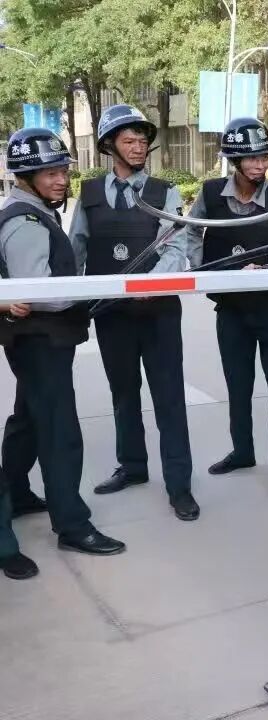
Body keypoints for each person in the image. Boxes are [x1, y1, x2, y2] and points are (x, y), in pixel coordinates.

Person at [68, 104, 199, 521]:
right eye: (129, 140)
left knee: (169, 397)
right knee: (123, 393)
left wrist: (150, 285)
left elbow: (177, 247)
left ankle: (179, 485)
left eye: (143, 141)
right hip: (111, 314)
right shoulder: (89, 195)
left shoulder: (165, 193)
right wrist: (68, 300)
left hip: (158, 312)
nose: (139, 147)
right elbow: (75, 251)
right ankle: (132, 466)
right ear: (109, 145)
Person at [0, 128, 126, 556]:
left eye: (63, 171)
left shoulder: (34, 211)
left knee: (28, 420)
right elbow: (39, 292)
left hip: (36, 339)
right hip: (40, 341)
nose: (61, 180)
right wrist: (89, 290)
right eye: (49, 173)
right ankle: (72, 525)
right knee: (60, 432)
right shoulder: (25, 221)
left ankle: (16, 493)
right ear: (25, 176)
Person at [185, 117, 268, 507]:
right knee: (238, 386)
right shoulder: (210, 194)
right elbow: (191, 229)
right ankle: (242, 451)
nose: (259, 164)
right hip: (231, 310)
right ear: (234, 160)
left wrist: (265, 271)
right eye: (251, 157)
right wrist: (201, 268)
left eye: (264, 156)